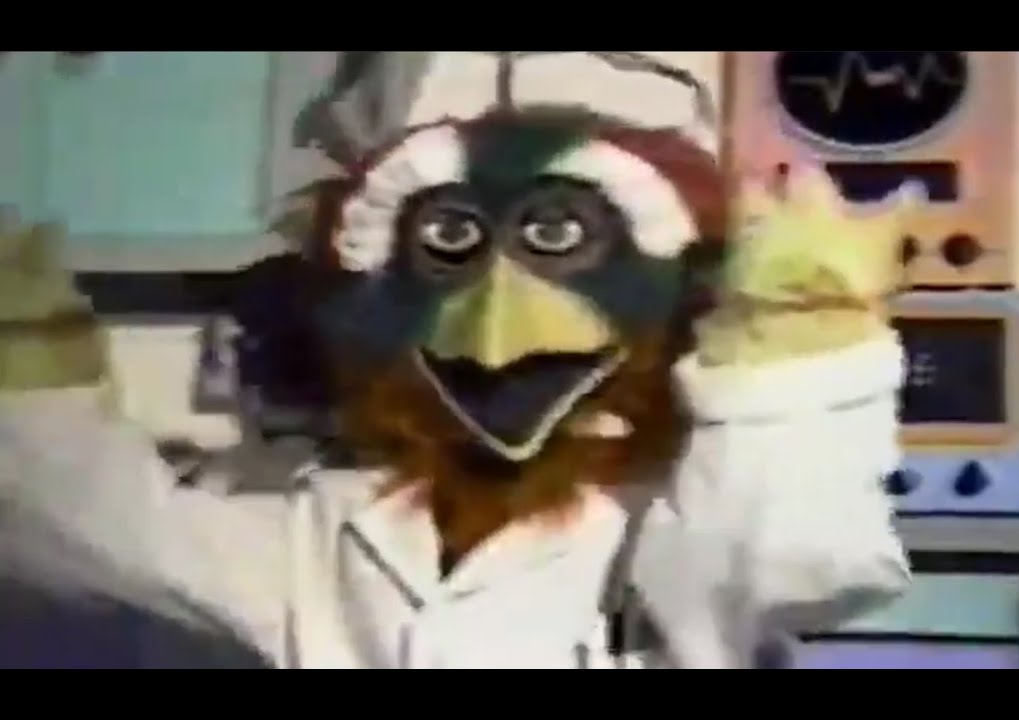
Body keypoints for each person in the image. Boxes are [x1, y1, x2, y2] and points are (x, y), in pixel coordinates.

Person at [0, 55, 914, 669]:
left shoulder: (674, 522)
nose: (497, 312)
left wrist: (797, 335)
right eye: (449, 241)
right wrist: (29, 372)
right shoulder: (329, 530)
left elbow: (798, 557)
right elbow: (102, 535)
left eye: (556, 238)